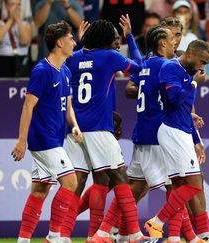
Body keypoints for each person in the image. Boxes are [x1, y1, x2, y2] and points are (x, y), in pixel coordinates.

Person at [63, 18, 153, 243]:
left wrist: (78, 45)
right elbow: (141, 66)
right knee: (120, 177)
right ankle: (133, 233)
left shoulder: (72, 59)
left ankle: (62, 234)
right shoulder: (110, 57)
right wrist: (130, 37)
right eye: (114, 36)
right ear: (104, 39)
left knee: (81, 181)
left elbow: (68, 62)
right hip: (99, 129)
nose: (117, 40)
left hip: (74, 129)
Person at [11, 21, 83, 243]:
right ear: (60, 43)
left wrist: (74, 124)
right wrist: (21, 141)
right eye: (71, 38)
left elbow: (67, 105)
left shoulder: (66, 71)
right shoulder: (42, 71)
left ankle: (23, 240)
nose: (74, 42)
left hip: (56, 139)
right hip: (44, 139)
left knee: (40, 190)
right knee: (71, 183)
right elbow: (27, 106)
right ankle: (54, 236)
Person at [143, 40, 209, 241]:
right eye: (202, 61)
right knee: (193, 185)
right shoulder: (171, 68)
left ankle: (182, 238)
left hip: (181, 131)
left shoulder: (186, 73)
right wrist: (193, 83)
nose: (203, 67)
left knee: (178, 188)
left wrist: (195, 138)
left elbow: (184, 110)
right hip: (172, 131)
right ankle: (156, 222)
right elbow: (174, 99)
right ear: (190, 53)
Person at [0, 0, 32, 77]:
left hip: (21, 62)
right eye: (12, 4)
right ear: (6, 7)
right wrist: (11, 20)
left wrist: (18, 20)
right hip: (2, 62)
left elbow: (24, 41)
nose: (16, 8)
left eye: (18, 5)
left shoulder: (26, 25)